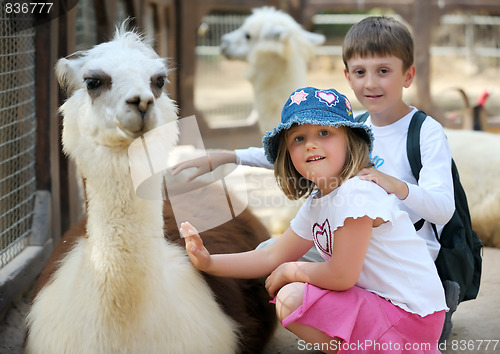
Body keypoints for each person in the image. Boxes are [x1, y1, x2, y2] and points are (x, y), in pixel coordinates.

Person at [170, 16, 458, 342]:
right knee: (279, 264)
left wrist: (396, 185)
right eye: (297, 139)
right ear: (349, 76)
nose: (310, 144)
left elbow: (342, 274)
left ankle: (405, 335)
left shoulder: (372, 177)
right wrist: (208, 261)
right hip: (360, 262)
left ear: (407, 75)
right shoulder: (325, 190)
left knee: (295, 287)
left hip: (407, 287)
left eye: (324, 132)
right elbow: (270, 254)